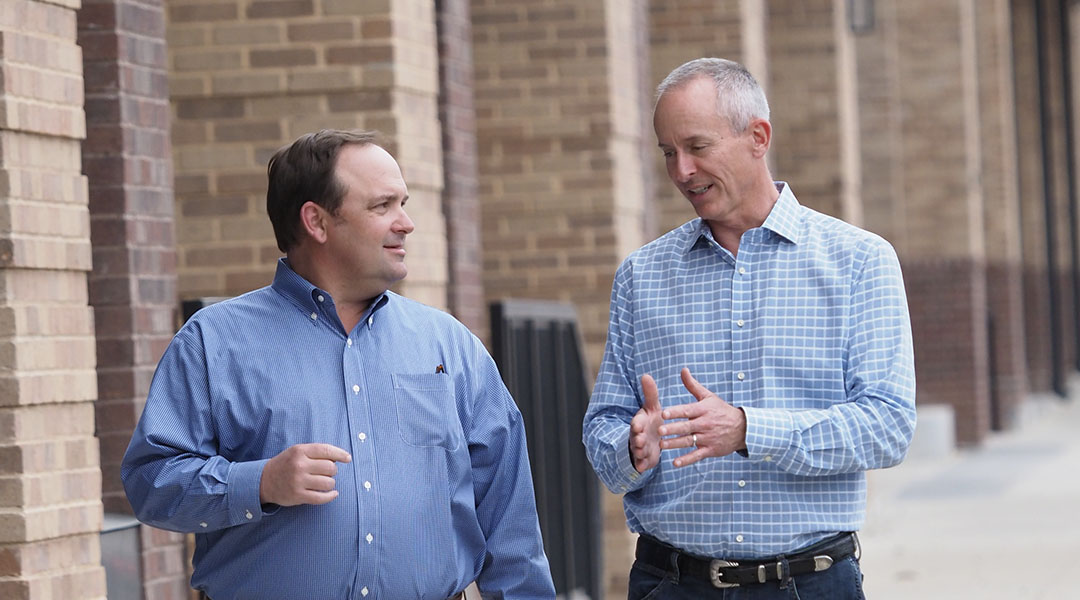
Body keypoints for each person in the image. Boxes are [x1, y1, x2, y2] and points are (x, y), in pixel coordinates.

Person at [122, 129, 555, 600]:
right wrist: (259, 482)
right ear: (317, 221)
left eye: (403, 203)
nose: (406, 222)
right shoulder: (212, 343)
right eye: (382, 206)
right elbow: (151, 483)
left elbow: (510, 520)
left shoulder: (449, 345)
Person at [582, 58, 916, 599]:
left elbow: (888, 425)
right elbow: (604, 431)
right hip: (670, 583)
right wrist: (632, 448)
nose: (681, 171)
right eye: (668, 152)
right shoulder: (641, 275)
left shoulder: (860, 261)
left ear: (758, 137)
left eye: (697, 147)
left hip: (808, 584)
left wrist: (747, 430)